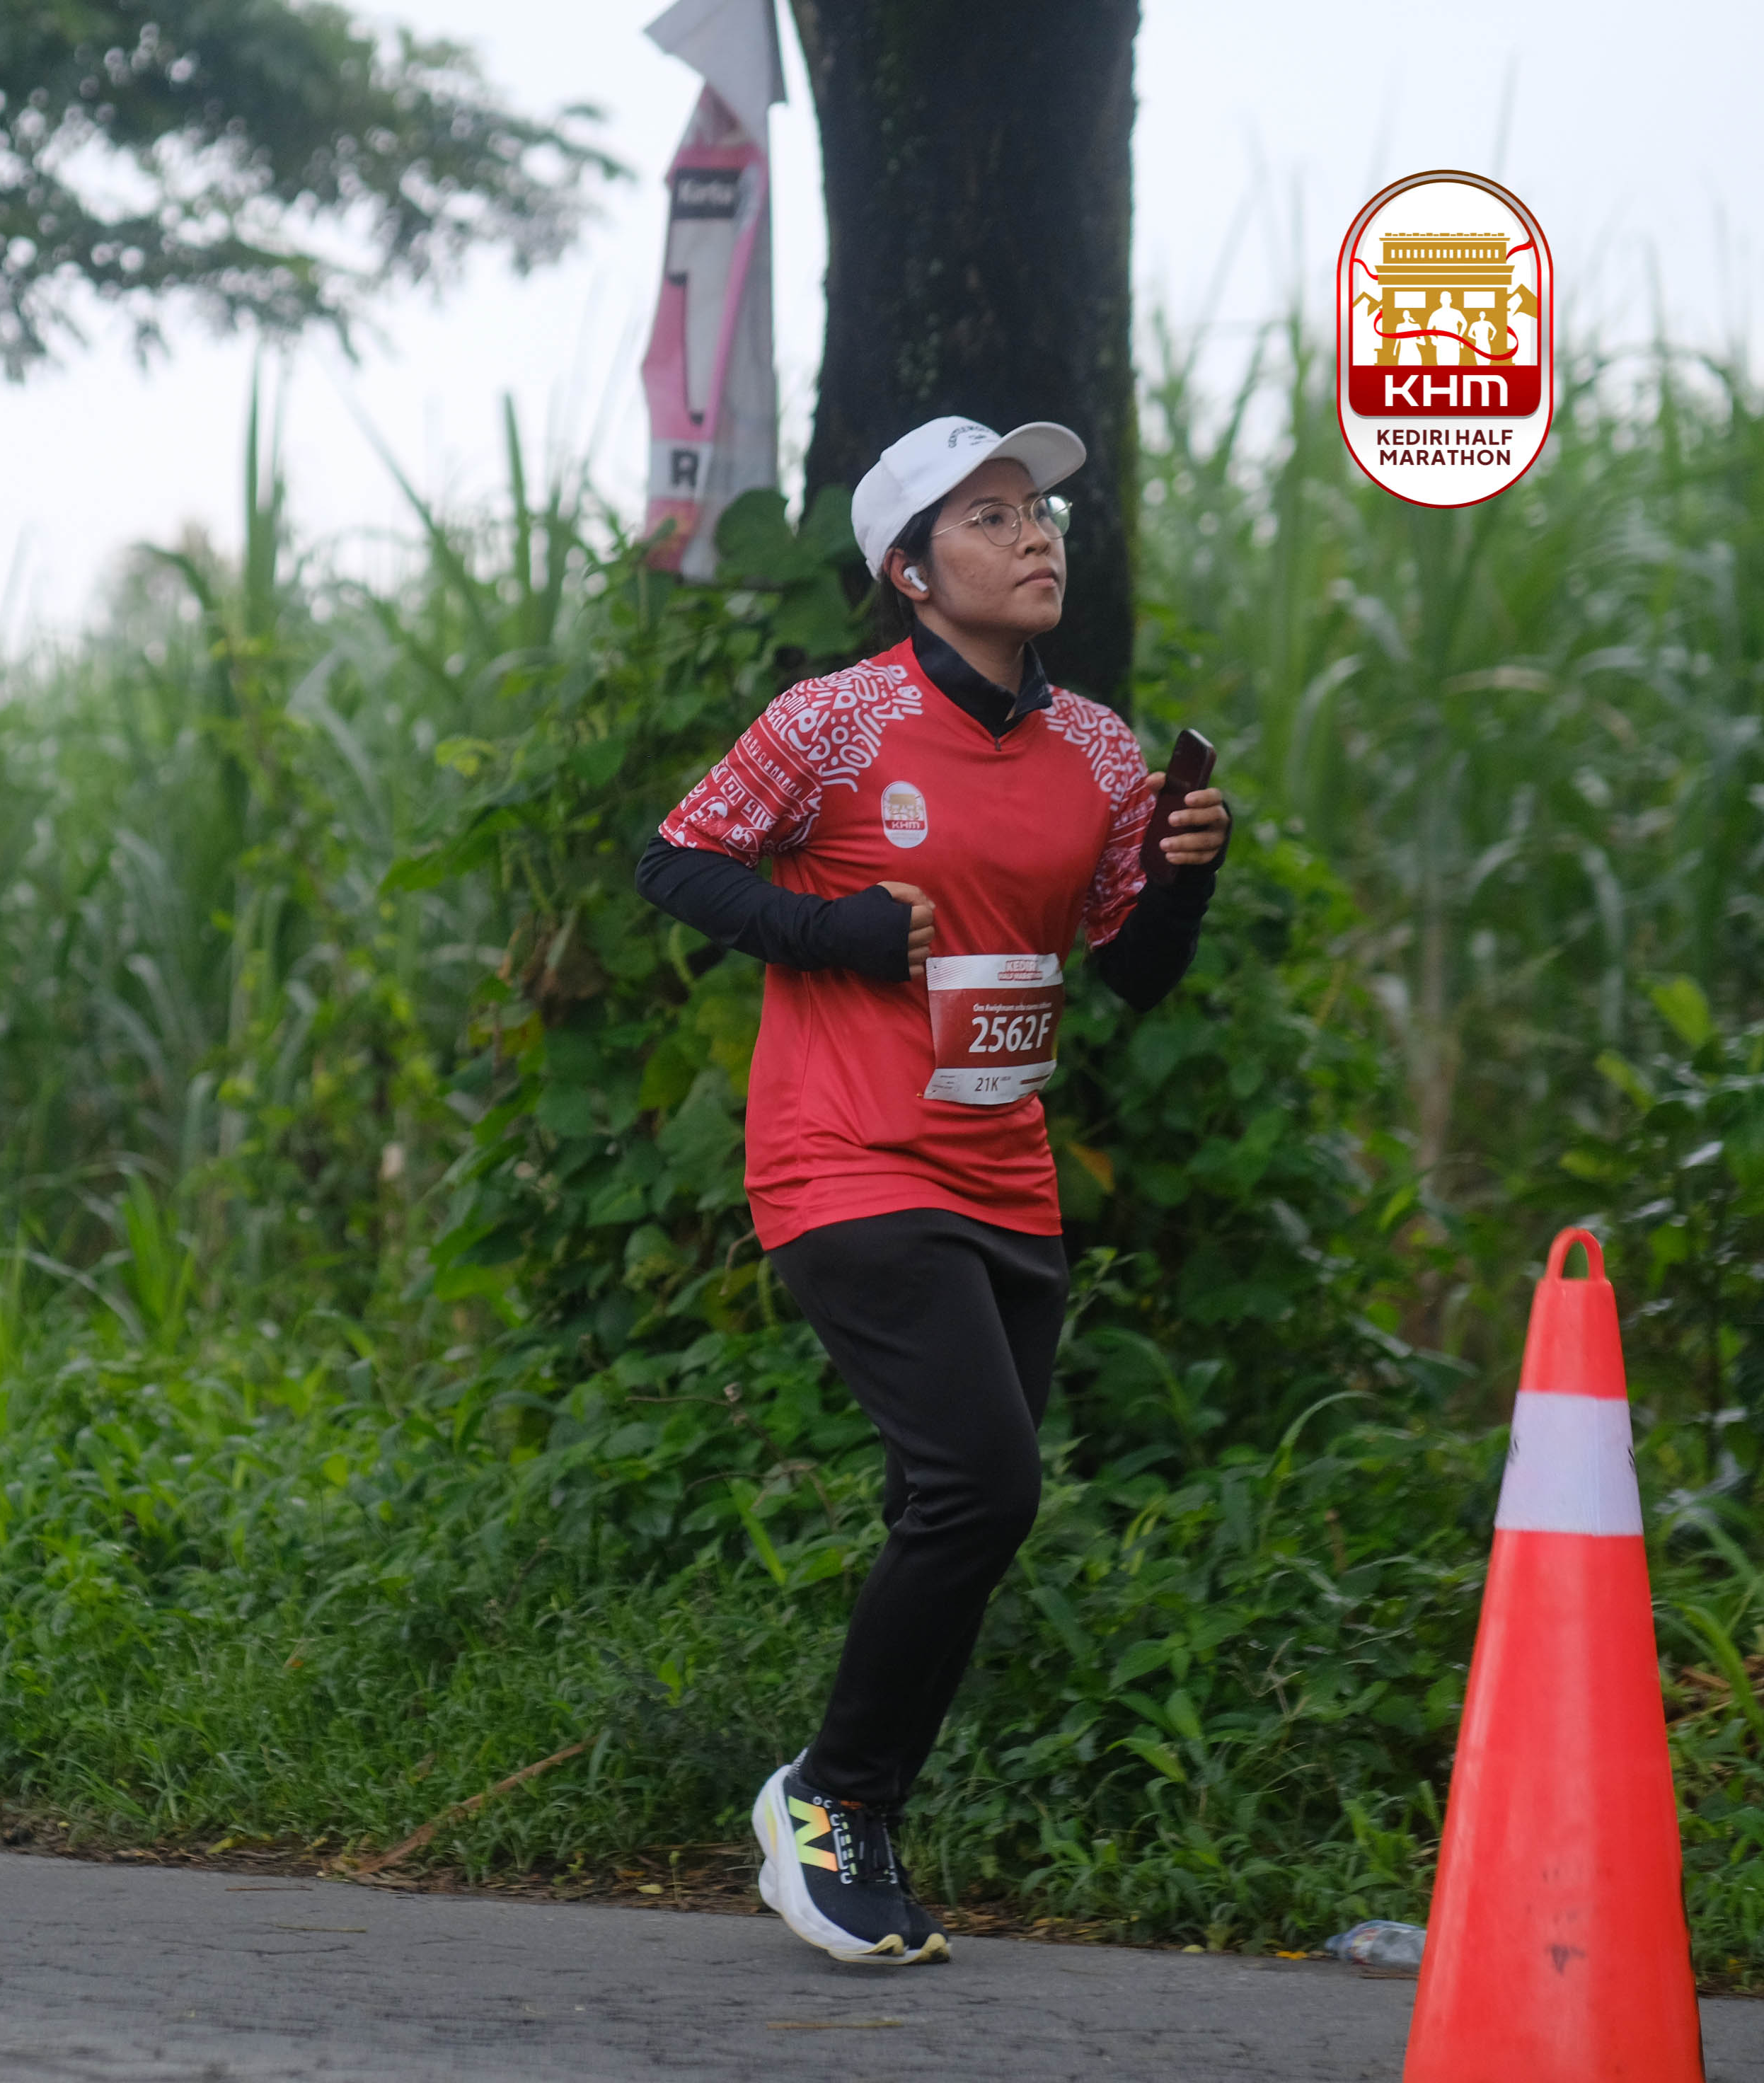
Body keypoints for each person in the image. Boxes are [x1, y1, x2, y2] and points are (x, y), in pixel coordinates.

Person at [634, 417, 1230, 1965]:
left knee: (955, 1508)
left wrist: (1183, 875)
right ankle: (830, 1799)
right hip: (842, 1153)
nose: (1036, 537)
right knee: (986, 1484)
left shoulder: (1098, 749)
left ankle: (854, 1810)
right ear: (910, 571)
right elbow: (676, 858)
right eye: (990, 517)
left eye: (1040, 513)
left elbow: (1133, 973)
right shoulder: (834, 722)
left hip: (1003, 1168)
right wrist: (831, 931)